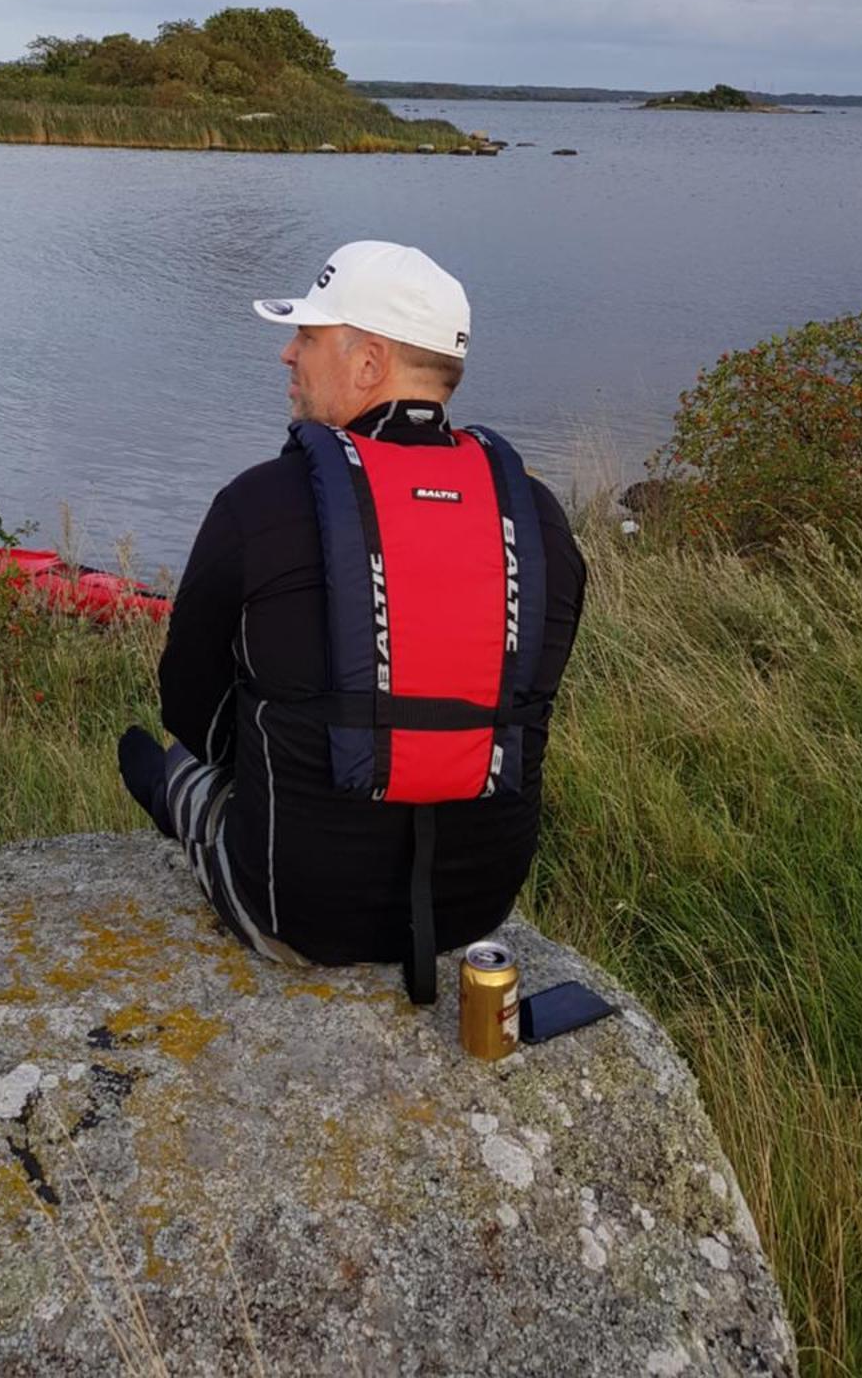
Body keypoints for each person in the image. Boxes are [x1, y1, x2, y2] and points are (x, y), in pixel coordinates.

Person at [118, 239, 587, 1002]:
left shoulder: (258, 505)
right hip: (474, 906)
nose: (286, 355)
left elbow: (195, 717)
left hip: (295, 910)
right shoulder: (538, 518)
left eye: (306, 337)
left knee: (152, 756)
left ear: (368, 363)